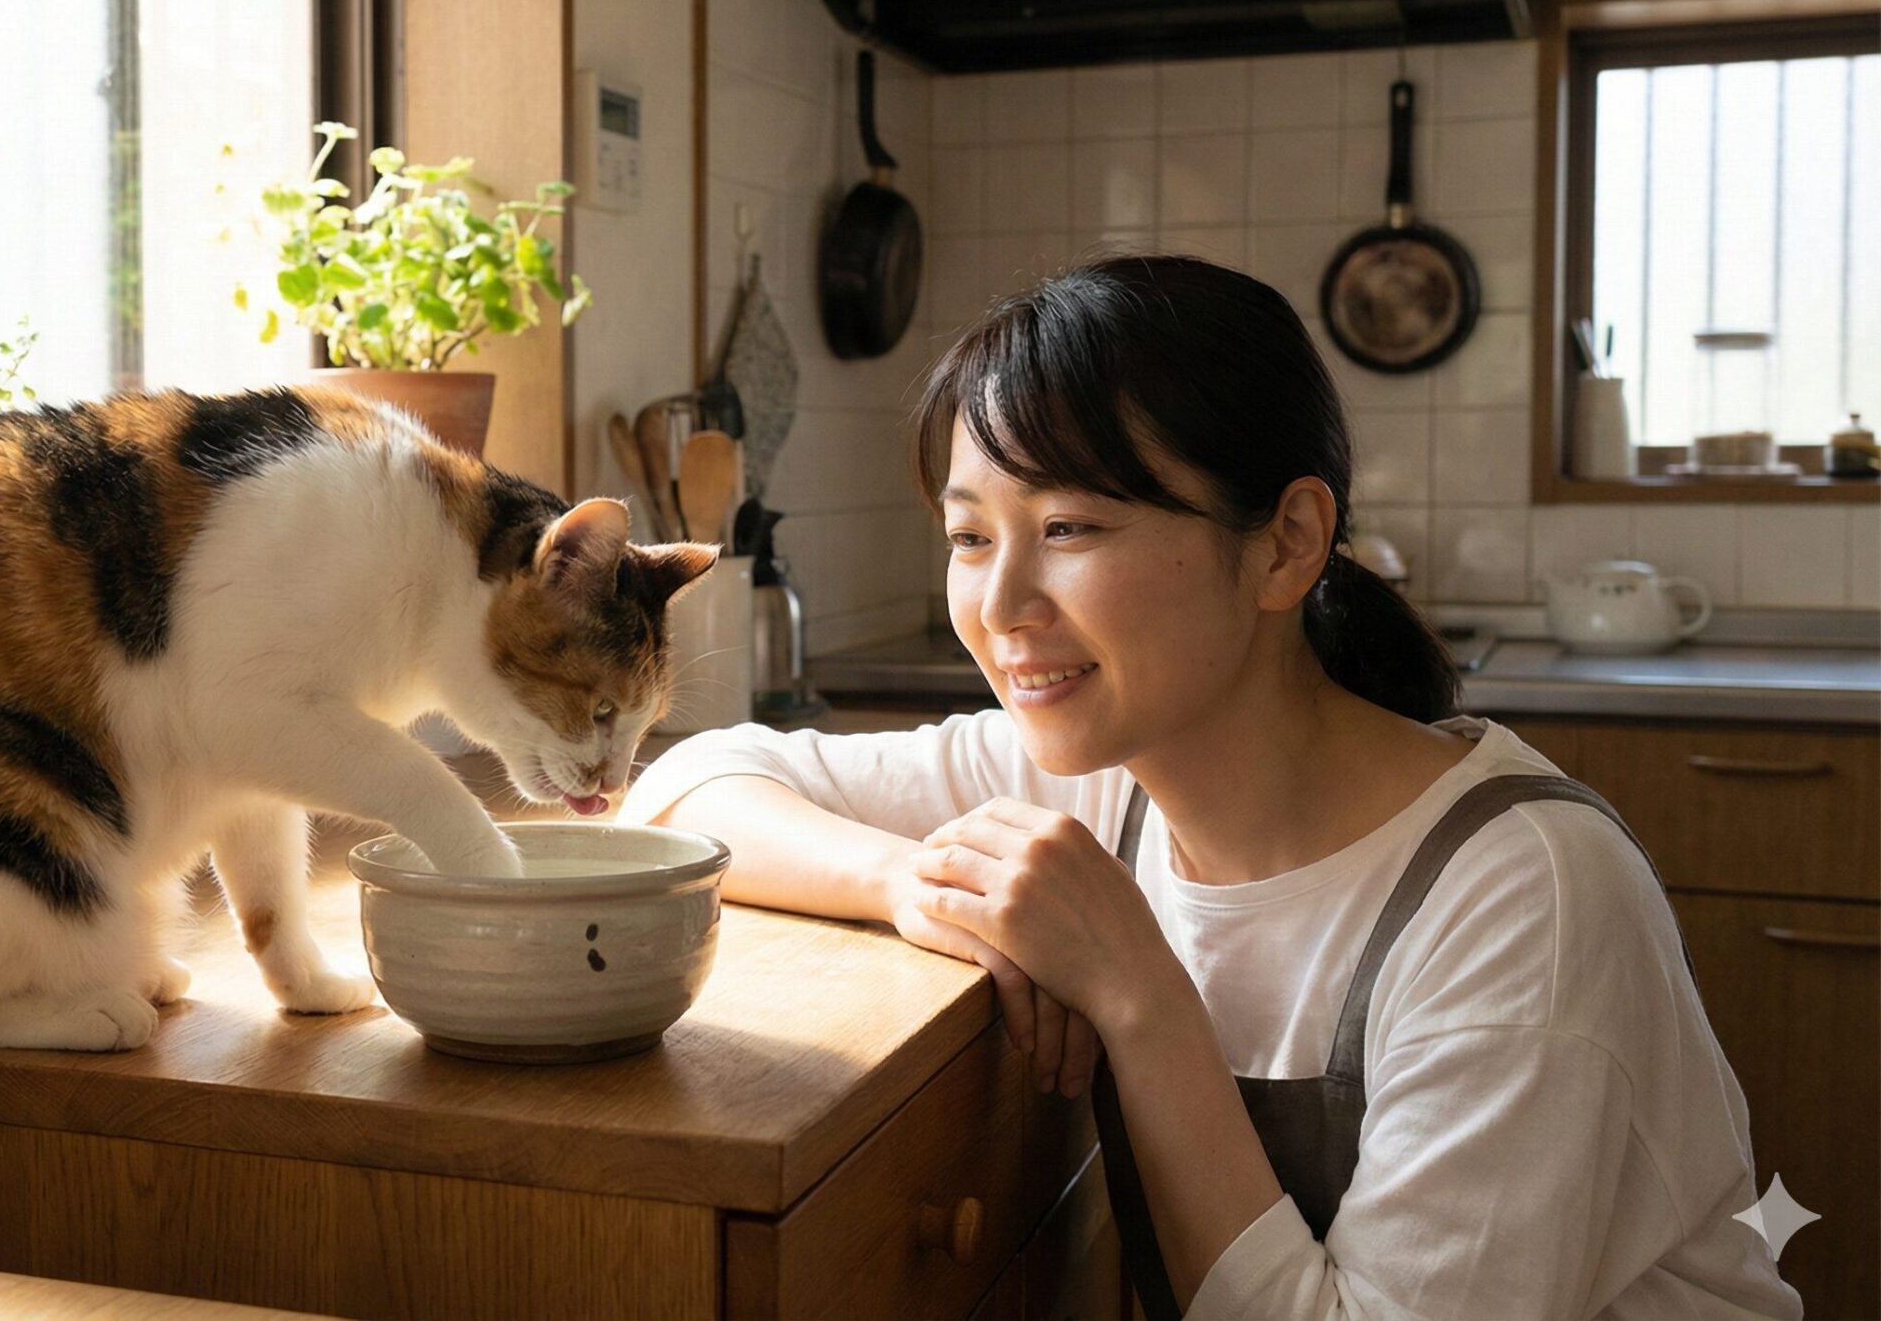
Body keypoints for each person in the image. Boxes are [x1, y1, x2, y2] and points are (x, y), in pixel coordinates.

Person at [616, 256, 1803, 1319]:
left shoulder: (1518, 901)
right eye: (972, 536)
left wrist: (1138, 992)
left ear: (1286, 542)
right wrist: (908, 881)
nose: (1002, 604)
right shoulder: (1099, 777)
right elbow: (686, 786)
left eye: (1073, 525)